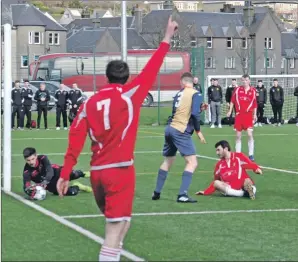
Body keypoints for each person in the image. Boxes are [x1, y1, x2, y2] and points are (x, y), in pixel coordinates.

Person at [56, 16, 178, 262]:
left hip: (98, 173)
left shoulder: (89, 103)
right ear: (126, 77)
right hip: (120, 171)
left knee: (122, 224)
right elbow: (152, 69)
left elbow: (75, 138)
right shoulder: (131, 94)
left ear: (106, 77)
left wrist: (65, 172)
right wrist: (166, 38)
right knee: (113, 232)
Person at [152, 72, 207, 203]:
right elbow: (194, 113)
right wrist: (198, 131)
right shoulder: (196, 93)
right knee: (192, 162)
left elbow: (181, 112)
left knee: (168, 160)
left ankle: (157, 192)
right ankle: (182, 194)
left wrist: (199, 110)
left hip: (170, 128)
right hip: (180, 130)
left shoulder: (179, 94)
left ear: (182, 82)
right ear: (192, 82)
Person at [195, 140, 262, 200]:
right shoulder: (219, 165)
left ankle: (250, 190)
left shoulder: (238, 157)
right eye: (216, 150)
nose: (217, 153)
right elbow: (215, 181)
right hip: (230, 187)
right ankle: (244, 193)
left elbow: (250, 164)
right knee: (216, 183)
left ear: (226, 149)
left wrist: (256, 169)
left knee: (247, 181)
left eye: (218, 150)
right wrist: (205, 192)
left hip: (243, 184)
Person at [22, 147, 91, 200]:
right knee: (70, 192)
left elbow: (50, 171)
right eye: (28, 160)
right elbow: (26, 185)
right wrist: (29, 191)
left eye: (33, 159)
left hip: (56, 172)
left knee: (72, 174)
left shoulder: (43, 158)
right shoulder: (27, 172)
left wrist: (44, 182)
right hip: (51, 185)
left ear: (36, 156)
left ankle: (82, 174)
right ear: (25, 159)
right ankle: (78, 186)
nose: (31, 162)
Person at [227, 74, 257, 161]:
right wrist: (230, 110)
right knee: (238, 136)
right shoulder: (237, 90)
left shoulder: (253, 91)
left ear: (249, 81)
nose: (245, 82)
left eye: (246, 80)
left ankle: (251, 154)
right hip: (239, 115)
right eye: (243, 80)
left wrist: (254, 114)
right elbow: (232, 101)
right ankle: (238, 155)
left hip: (248, 115)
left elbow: (255, 104)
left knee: (249, 134)